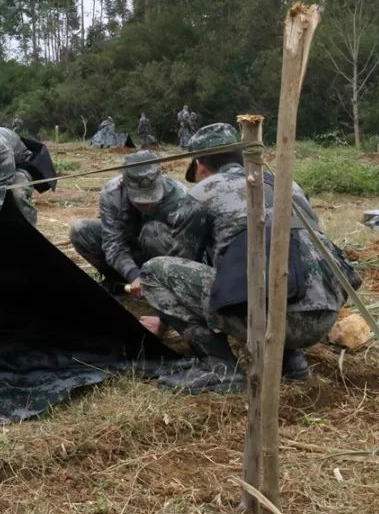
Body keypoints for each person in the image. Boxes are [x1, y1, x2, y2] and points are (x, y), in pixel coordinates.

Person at [139, 123, 351, 394]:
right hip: (323, 315)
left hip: (277, 321)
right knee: (272, 260)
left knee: (154, 272)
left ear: (200, 165)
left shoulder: (205, 191)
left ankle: (218, 365)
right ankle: (290, 361)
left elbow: (183, 260)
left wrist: (164, 318)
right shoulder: (287, 183)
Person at [69, 151, 203, 294]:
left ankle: (165, 288)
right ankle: (119, 281)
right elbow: (113, 243)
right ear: (123, 183)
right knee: (80, 230)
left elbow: (188, 251)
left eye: (152, 197)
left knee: (152, 230)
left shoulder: (179, 195)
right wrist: (133, 275)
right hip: (133, 250)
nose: (146, 205)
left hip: (166, 257)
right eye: (139, 199)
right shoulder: (112, 193)